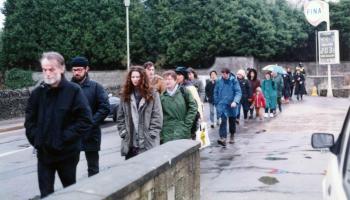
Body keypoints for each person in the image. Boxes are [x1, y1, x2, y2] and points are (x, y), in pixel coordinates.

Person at [24, 52, 93, 198]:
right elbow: (29, 122)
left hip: (67, 154)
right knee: (46, 194)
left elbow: (85, 120)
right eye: (44, 70)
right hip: (44, 155)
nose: (47, 73)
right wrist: (38, 140)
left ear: (62, 69)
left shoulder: (74, 91)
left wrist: (63, 138)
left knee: (70, 192)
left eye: (51, 69)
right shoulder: (37, 93)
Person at [70, 56, 110, 177]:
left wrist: (91, 122)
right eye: (74, 70)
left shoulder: (96, 87)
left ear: (87, 69)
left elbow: (105, 107)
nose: (77, 72)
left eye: (79, 69)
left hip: (91, 134)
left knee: (93, 169)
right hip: (72, 135)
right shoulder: (67, 87)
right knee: (69, 169)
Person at [116, 66, 163, 160]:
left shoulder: (153, 93)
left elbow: (157, 116)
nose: (135, 79)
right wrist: (123, 132)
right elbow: (120, 116)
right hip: (130, 141)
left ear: (143, 78)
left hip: (147, 141)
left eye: (138, 77)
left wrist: (152, 134)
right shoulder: (125, 94)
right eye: (133, 77)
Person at [160, 70, 198, 143]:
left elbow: (193, 108)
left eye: (169, 79)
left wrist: (187, 125)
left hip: (183, 130)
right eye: (165, 79)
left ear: (175, 80)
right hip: (167, 133)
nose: (167, 81)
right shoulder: (162, 97)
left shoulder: (184, 92)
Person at [214, 67, 242, 145]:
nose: (224, 75)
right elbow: (215, 92)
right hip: (222, 104)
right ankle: (223, 138)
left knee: (232, 121)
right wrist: (216, 102)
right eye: (222, 74)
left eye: (225, 74)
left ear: (228, 73)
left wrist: (235, 101)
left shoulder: (234, 81)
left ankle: (232, 135)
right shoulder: (219, 81)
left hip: (231, 105)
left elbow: (238, 92)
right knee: (223, 121)